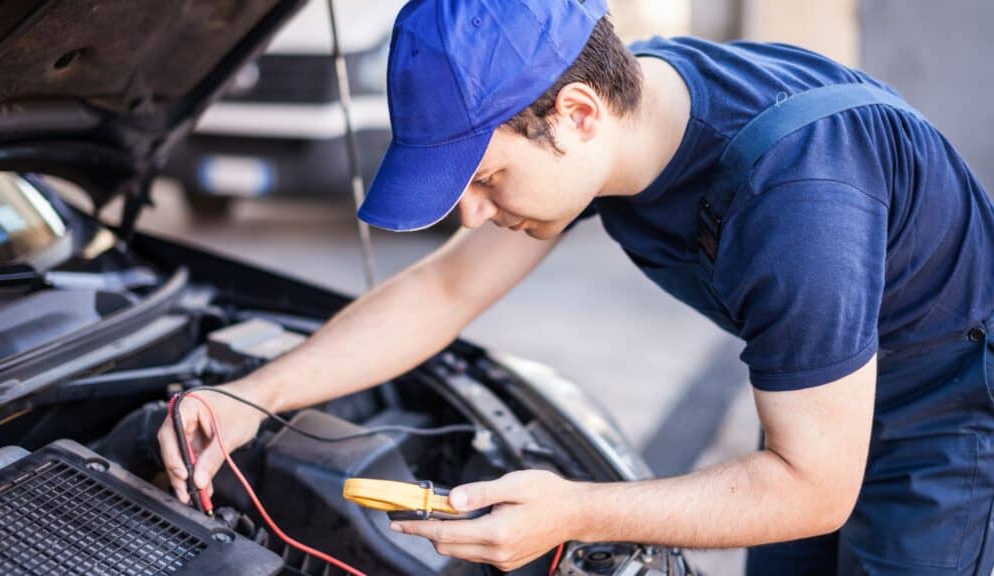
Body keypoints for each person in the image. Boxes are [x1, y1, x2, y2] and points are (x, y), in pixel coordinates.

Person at [159, 0, 994, 574]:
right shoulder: (636, 111)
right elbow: (442, 293)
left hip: (939, 421)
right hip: (823, 398)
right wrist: (250, 396)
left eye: (485, 178)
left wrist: (576, 511)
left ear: (579, 114)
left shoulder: (799, 196)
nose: (475, 215)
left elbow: (813, 486)